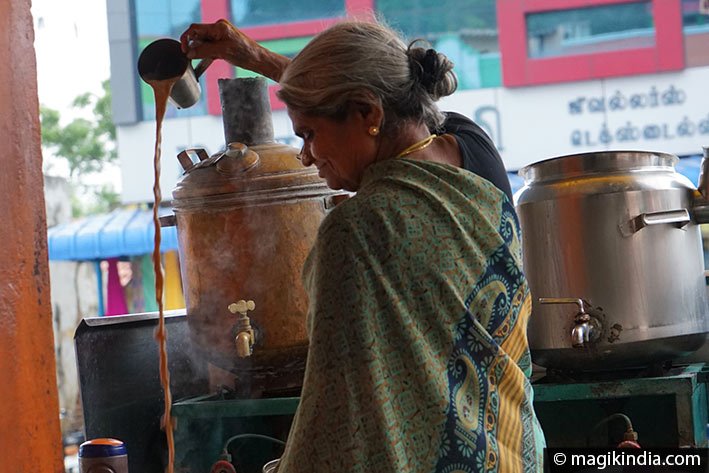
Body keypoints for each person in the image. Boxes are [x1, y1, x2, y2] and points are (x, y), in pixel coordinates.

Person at [181, 18, 546, 473]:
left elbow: (337, 422)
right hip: (514, 448)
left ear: (370, 115)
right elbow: (375, 89)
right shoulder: (470, 147)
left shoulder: (356, 233)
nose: (306, 156)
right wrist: (255, 59)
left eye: (309, 134)